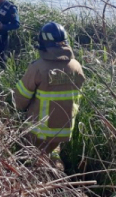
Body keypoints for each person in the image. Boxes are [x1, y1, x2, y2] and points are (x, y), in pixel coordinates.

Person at [14, 22, 85, 154]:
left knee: (29, 157)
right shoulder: (76, 67)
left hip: (38, 130)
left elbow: (19, 99)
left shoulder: (38, 68)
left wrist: (14, 111)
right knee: (51, 152)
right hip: (63, 129)